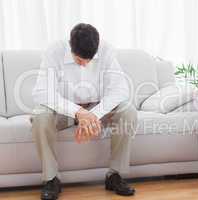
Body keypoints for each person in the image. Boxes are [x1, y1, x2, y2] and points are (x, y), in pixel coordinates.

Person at [31, 23, 137, 200]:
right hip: (64, 111)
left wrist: (93, 115)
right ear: (70, 46)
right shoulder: (54, 52)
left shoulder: (107, 50)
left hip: (96, 109)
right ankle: (51, 179)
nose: (84, 65)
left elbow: (120, 90)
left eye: (89, 60)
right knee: (40, 116)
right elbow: (42, 93)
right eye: (79, 60)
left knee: (128, 111)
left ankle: (114, 175)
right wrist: (78, 112)